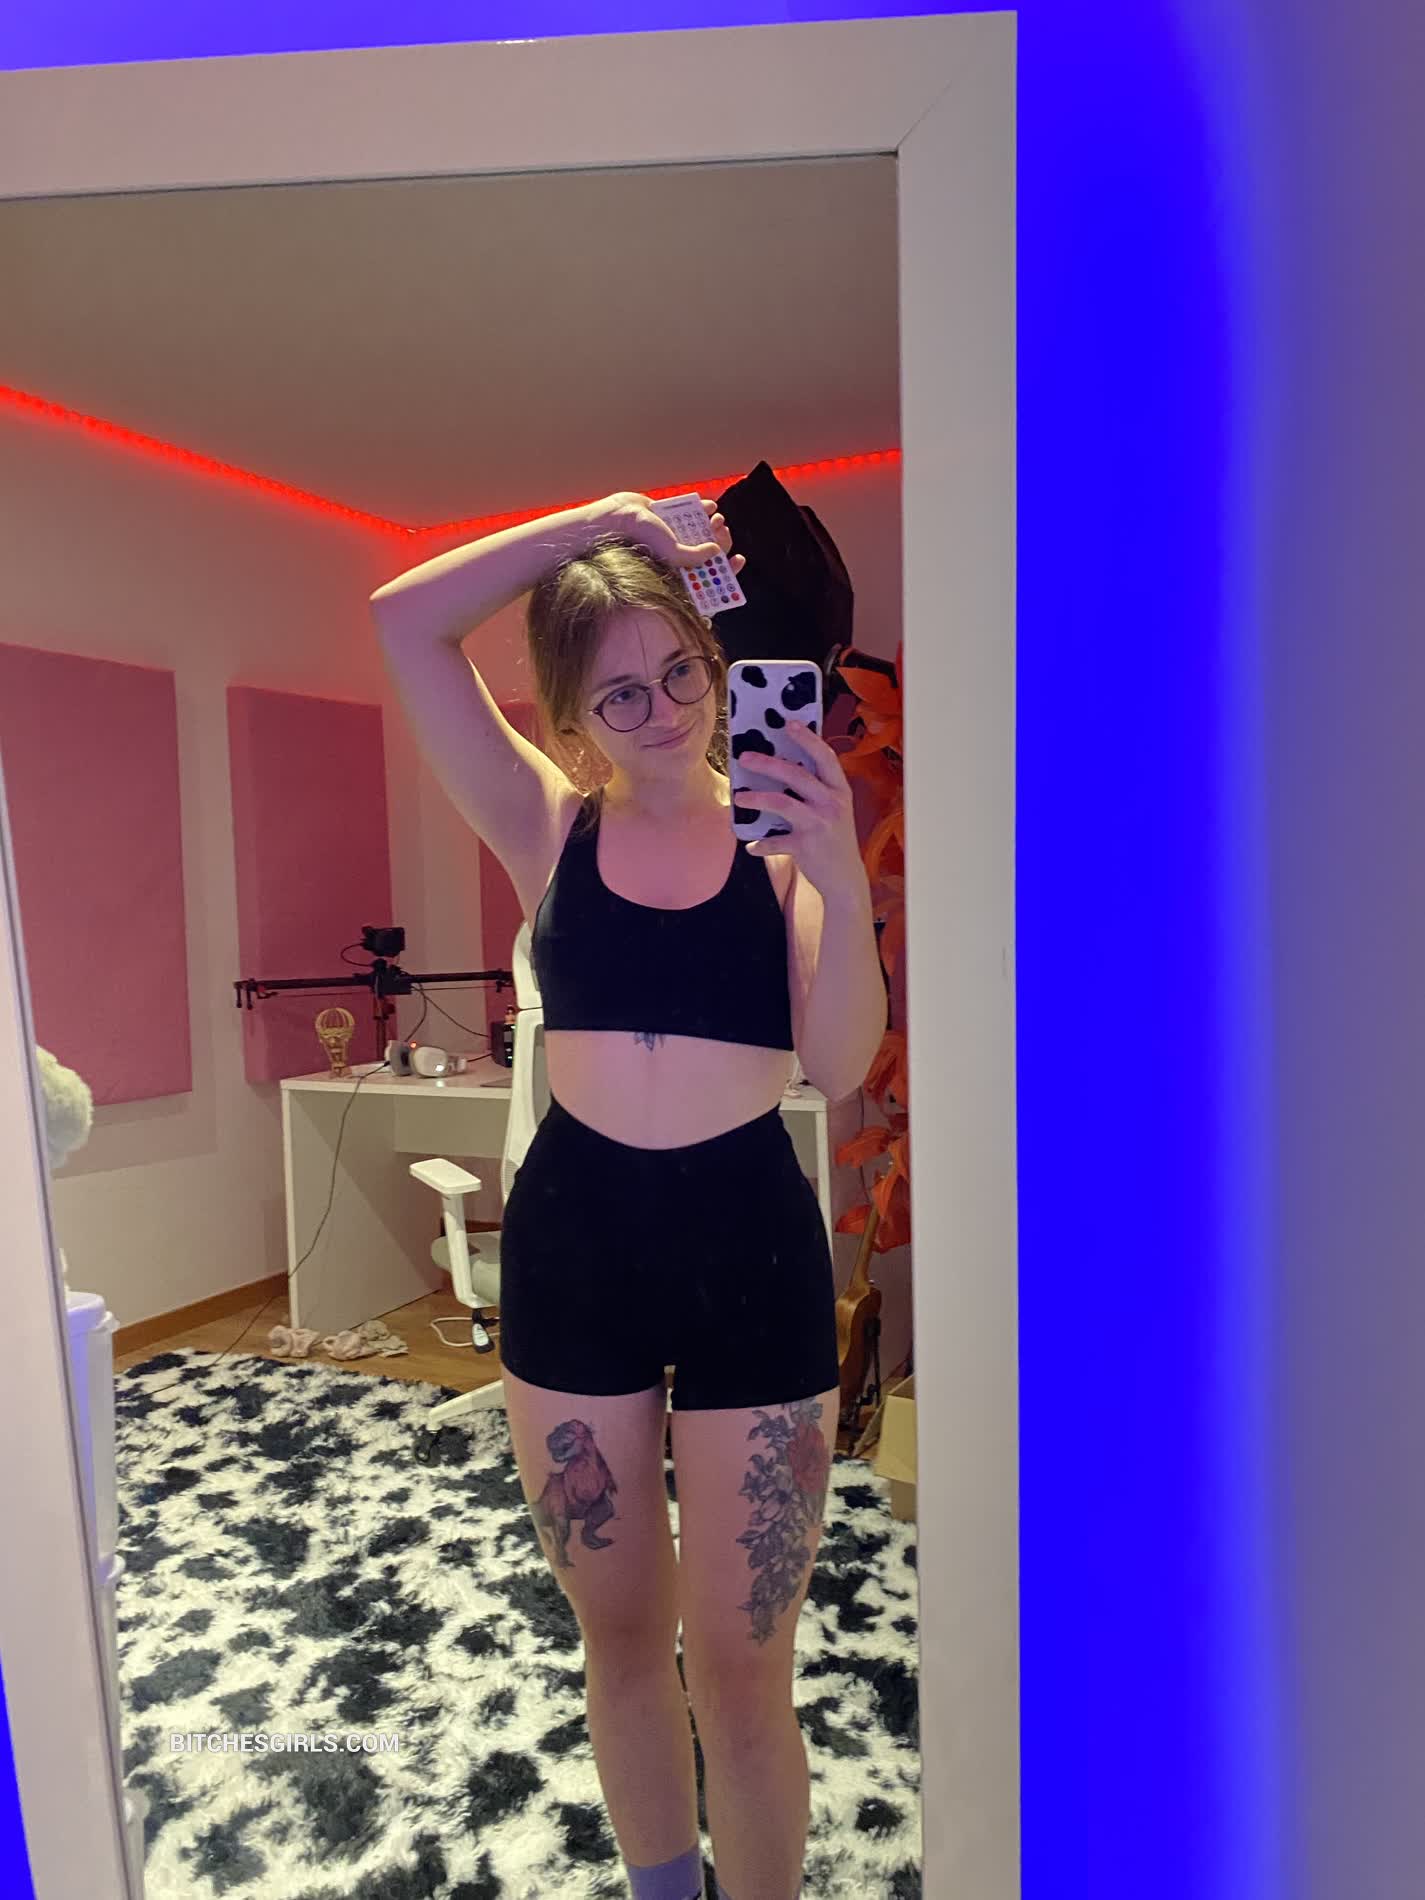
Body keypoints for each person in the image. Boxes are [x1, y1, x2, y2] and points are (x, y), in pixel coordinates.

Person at [369, 492, 885, 1900]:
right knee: (618, 1633)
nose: (659, 712)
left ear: (717, 671)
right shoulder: (545, 823)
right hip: (577, 1247)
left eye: (678, 673)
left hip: (751, 1251)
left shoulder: (782, 845)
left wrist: (838, 872)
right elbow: (402, 621)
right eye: (617, 693)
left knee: (745, 1659)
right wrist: (595, 527)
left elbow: (839, 1064)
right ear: (571, 715)